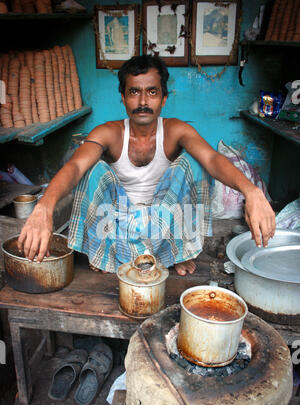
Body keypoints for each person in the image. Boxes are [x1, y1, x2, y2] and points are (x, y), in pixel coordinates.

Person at [17, 55, 275, 276]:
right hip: (117, 224)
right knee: (90, 169)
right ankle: (112, 251)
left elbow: (213, 159)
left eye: (152, 92)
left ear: (163, 98)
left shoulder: (176, 130)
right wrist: (44, 207)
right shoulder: (109, 132)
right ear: (123, 97)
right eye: (134, 92)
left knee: (197, 163)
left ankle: (176, 250)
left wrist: (252, 191)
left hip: (164, 224)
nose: (143, 101)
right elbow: (73, 167)